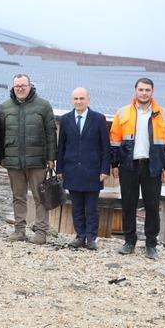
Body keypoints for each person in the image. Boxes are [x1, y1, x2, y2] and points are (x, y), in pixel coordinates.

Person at [110, 78, 165, 260]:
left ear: (152, 91)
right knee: (128, 204)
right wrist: (115, 164)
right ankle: (129, 242)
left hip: (153, 166)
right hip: (128, 166)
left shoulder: (164, 114)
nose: (144, 93)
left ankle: (151, 244)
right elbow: (115, 140)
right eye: (141, 89)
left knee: (152, 206)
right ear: (135, 91)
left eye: (147, 90)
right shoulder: (123, 113)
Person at [0, 73, 56, 244]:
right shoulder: (5, 107)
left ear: (30, 86)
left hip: (37, 161)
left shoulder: (43, 106)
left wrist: (51, 157)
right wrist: (2, 156)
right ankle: (19, 230)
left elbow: (51, 133)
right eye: (17, 86)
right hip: (14, 160)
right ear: (13, 87)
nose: (20, 88)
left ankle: (41, 232)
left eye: (23, 85)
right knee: (18, 196)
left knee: (40, 197)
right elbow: (1, 134)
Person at [56, 87, 110, 250]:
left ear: (88, 100)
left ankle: (91, 237)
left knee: (92, 208)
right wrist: (60, 169)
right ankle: (80, 235)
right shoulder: (65, 119)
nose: (78, 102)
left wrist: (105, 169)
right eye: (76, 99)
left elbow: (105, 147)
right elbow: (62, 146)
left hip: (93, 171)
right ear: (72, 100)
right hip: (72, 170)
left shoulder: (99, 119)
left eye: (81, 98)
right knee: (77, 207)